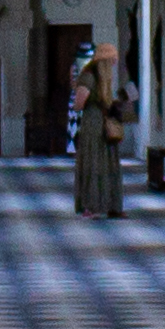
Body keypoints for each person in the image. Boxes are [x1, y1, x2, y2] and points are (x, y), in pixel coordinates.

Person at [70, 43, 128, 217]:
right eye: (112, 60)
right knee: (93, 162)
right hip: (93, 124)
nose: (114, 63)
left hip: (103, 123)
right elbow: (78, 104)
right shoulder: (88, 75)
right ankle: (91, 204)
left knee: (107, 164)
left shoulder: (102, 76)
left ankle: (110, 205)